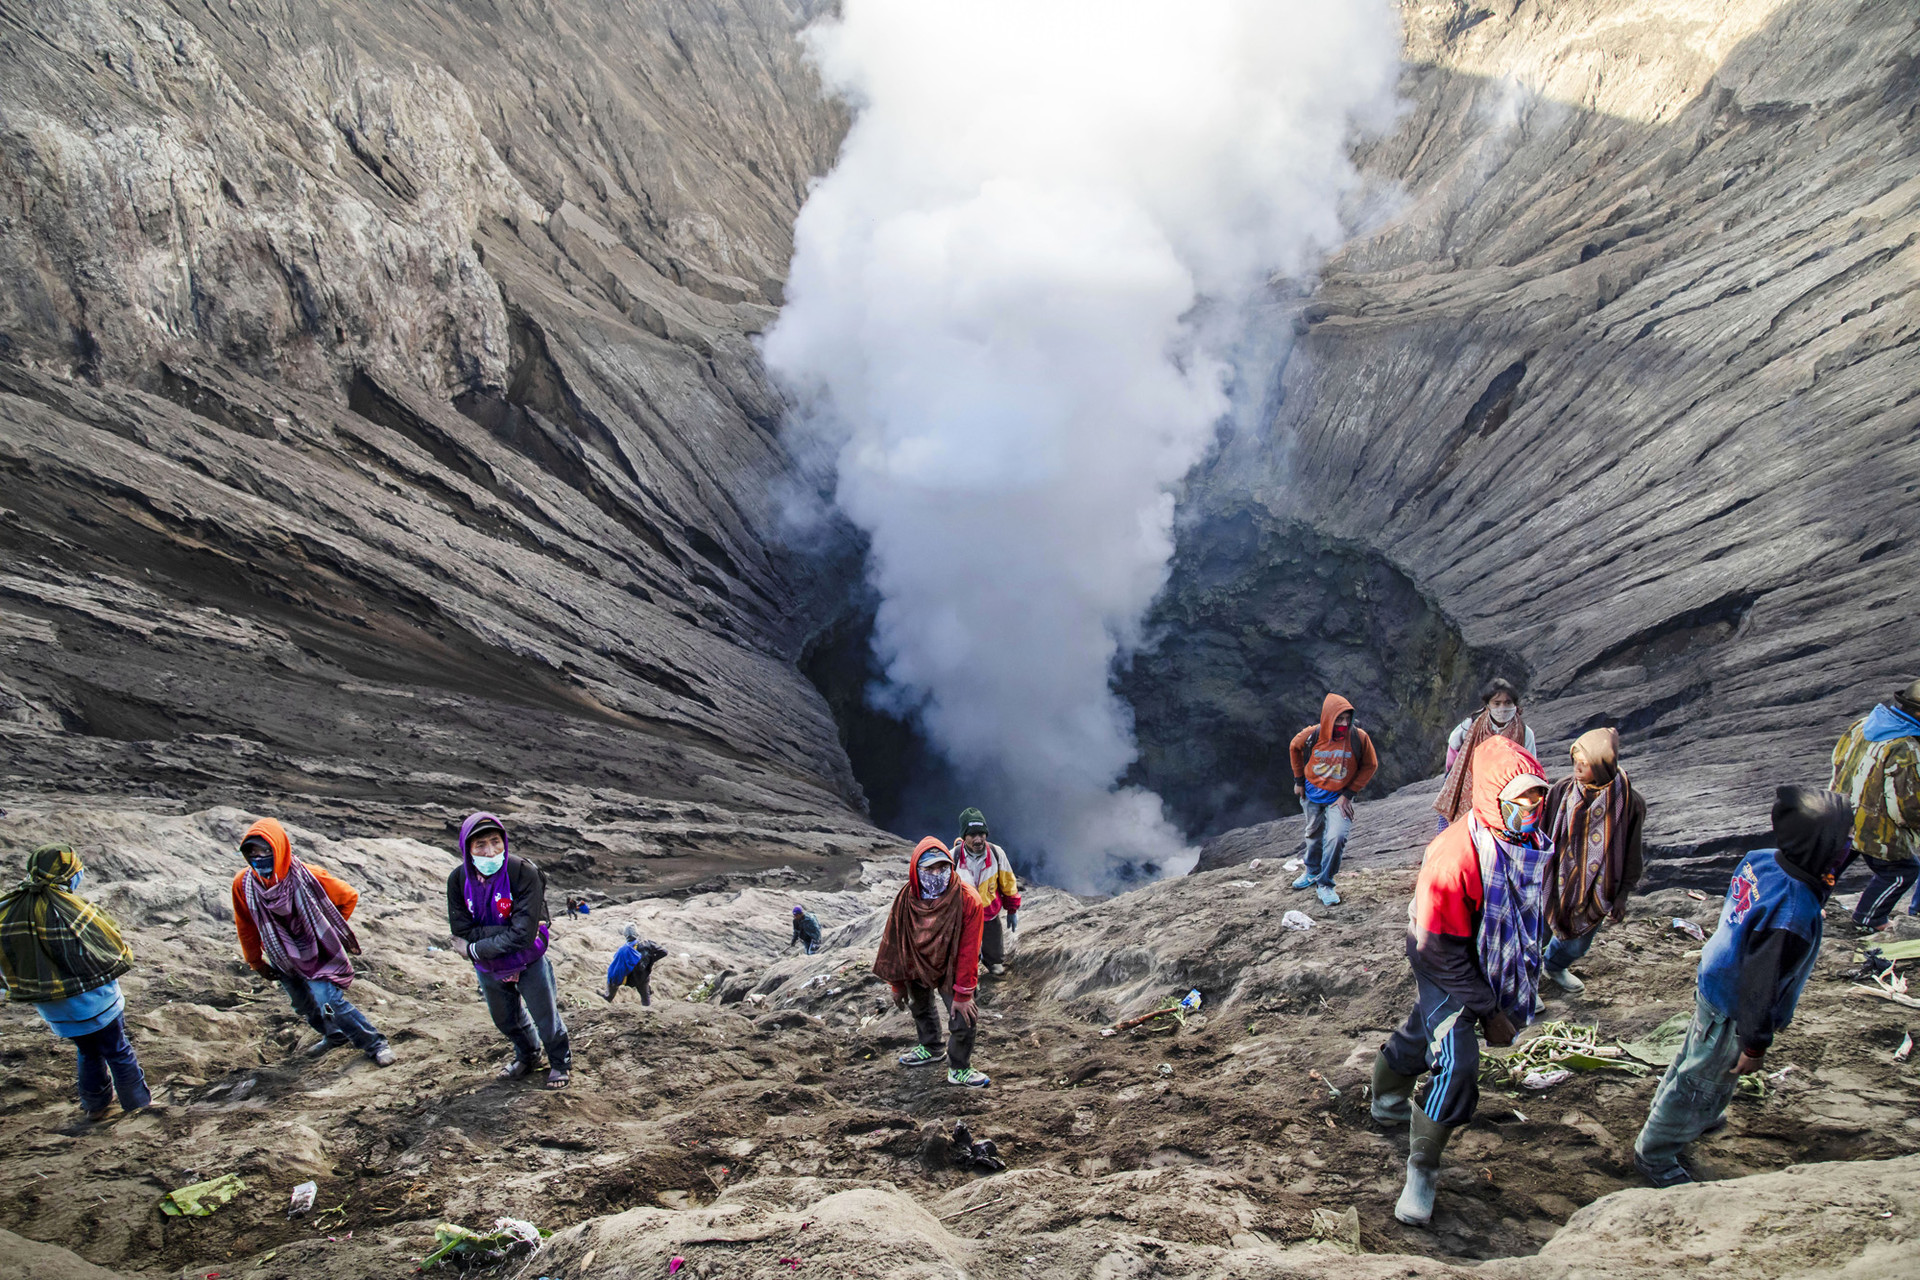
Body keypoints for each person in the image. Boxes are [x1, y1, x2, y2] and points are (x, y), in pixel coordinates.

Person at [1632, 786, 1852, 1186]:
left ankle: (1693, 1110)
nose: (1848, 847)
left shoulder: (1763, 859)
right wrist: (1755, 1044)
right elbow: (1760, 986)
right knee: (1703, 1075)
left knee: (1695, 1057)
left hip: (1716, 975)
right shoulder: (1793, 913)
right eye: (1842, 841)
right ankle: (1656, 1152)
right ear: (1820, 848)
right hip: (1736, 1002)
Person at [1373, 736, 1552, 1227]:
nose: (1533, 808)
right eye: (1522, 800)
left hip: (1478, 956)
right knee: (1456, 1060)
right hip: (1441, 954)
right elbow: (1439, 950)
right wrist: (1490, 1011)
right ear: (1493, 798)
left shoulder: (1525, 840)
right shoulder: (1455, 856)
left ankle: (1385, 1095)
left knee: (1423, 1025)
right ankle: (1422, 1170)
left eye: (1538, 796)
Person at [0, 843, 153, 1120]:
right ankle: (138, 1106)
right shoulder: (72, 910)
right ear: (69, 876)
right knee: (118, 1051)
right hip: (98, 1004)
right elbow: (111, 949)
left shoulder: (8, 908)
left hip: (57, 1012)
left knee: (88, 1052)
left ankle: (95, 1107)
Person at [230, 818, 395, 1067]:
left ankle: (375, 1044)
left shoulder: (309, 876)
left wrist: (326, 931)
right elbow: (246, 924)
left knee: (330, 1001)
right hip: (281, 955)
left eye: (265, 851)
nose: (259, 858)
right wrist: (255, 960)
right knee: (303, 1004)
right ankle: (333, 1035)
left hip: (317, 952)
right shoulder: (244, 885)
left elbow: (348, 896)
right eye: (252, 853)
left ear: (279, 848)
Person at [446, 811, 570, 1089]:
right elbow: (462, 931)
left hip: (528, 961)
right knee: (505, 1019)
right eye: (480, 845)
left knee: (545, 1016)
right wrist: (502, 938)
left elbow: (524, 935)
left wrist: (475, 949)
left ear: (505, 841)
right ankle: (528, 1055)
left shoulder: (523, 872)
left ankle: (560, 1063)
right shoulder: (458, 880)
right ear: (466, 848)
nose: (490, 852)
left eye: (495, 841)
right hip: (490, 967)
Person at [874, 838, 989, 1088]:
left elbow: (969, 951)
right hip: (916, 959)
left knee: (963, 1015)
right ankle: (931, 1046)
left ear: (951, 867)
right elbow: (895, 939)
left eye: (942, 868)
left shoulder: (968, 900)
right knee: (920, 1005)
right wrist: (897, 983)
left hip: (953, 962)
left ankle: (959, 1067)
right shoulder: (906, 899)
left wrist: (964, 993)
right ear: (916, 871)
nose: (937, 874)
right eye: (929, 869)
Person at [1538, 728, 1645, 993]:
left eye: (1585, 764)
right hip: (1555, 877)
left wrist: (1622, 896)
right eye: (1576, 761)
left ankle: (1553, 966)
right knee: (1538, 931)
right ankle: (1528, 980)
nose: (1577, 768)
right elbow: (1543, 830)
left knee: (1577, 943)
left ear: (1602, 765)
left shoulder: (1629, 803)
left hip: (1596, 885)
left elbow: (1632, 852)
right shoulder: (1563, 790)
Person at [1829, 679, 1920, 934]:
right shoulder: (1905, 748)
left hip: (1840, 813)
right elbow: (1906, 806)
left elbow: (1838, 759)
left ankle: (1810, 904)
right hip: (1874, 825)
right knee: (1901, 871)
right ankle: (1870, 918)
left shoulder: (1864, 724)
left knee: (1832, 862)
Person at [1288, 694, 1379, 906]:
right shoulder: (1315, 733)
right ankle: (1311, 872)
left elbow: (1370, 765)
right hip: (1312, 795)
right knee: (1313, 834)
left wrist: (1348, 794)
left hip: (1339, 798)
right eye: (1339, 719)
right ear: (1329, 718)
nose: (1344, 724)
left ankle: (1325, 883)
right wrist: (1299, 780)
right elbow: (1294, 746)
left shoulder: (1359, 737)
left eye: (1347, 718)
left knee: (1336, 837)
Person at [1435, 678, 1538, 832]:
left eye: (1507, 703)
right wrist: (1453, 775)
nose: (1502, 708)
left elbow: (1530, 763)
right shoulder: (1471, 724)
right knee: (1460, 826)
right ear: (1488, 705)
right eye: (1497, 703)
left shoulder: (1524, 732)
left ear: (1514, 704)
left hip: (1505, 787)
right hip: (1471, 780)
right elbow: (1453, 744)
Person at [954, 808, 1021, 975]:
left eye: (981, 834)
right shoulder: (953, 857)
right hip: (965, 915)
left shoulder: (996, 853)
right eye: (972, 835)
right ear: (964, 837)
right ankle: (970, 969)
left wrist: (1012, 909)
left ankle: (994, 961)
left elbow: (1008, 882)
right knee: (967, 945)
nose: (978, 840)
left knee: (993, 938)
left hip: (989, 910)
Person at [603, 924, 668, 1004]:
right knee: (645, 997)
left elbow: (616, 968)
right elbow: (664, 952)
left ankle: (606, 998)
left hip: (629, 978)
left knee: (612, 983)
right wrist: (651, 960)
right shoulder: (648, 943)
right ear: (637, 933)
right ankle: (647, 1011)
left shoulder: (623, 950)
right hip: (643, 976)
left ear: (626, 935)